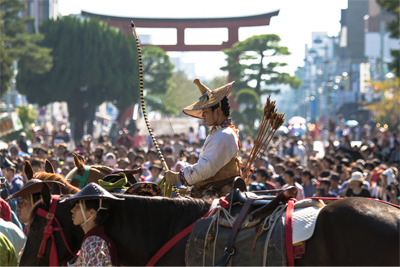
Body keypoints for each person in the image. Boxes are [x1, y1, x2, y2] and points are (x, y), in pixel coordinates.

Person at [164, 79, 240, 198]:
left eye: (205, 112)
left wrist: (178, 177)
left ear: (218, 111)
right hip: (211, 192)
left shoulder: (224, 135)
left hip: (218, 196)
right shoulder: (219, 132)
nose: (202, 116)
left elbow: (207, 168)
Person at [62, 183, 123, 266]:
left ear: (92, 212)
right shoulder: (96, 240)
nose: (72, 210)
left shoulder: (93, 243)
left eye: (78, 206)